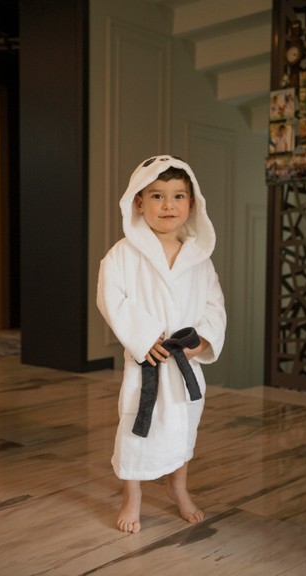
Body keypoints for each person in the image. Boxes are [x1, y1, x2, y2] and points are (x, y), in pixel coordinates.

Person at [97, 155, 226, 534]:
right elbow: (111, 299)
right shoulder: (122, 254)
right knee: (135, 427)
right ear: (138, 202)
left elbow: (214, 305)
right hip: (147, 362)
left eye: (178, 196)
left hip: (185, 363)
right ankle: (132, 495)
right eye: (157, 196)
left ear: (192, 203)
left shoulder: (200, 259)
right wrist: (143, 336)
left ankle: (178, 486)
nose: (168, 205)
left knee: (184, 426)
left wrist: (203, 340)